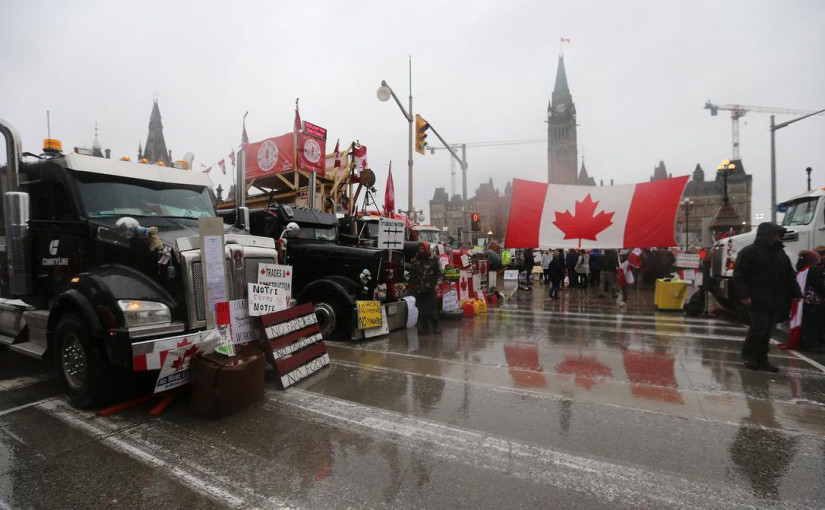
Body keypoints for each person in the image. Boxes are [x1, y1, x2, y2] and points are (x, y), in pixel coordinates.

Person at [733, 222, 802, 372]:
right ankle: (749, 356)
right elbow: (739, 276)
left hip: (775, 298)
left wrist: (796, 292)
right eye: (776, 234)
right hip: (757, 298)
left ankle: (762, 359)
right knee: (759, 327)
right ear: (767, 235)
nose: (778, 237)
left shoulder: (780, 253)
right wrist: (744, 295)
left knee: (768, 330)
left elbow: (789, 275)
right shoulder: (748, 252)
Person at [410, 241, 444, 335]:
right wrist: (412, 286)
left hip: (430, 289)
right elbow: (412, 275)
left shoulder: (434, 259)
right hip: (419, 289)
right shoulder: (415, 260)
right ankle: (423, 327)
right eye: (419, 249)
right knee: (421, 310)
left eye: (423, 249)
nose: (421, 250)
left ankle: (436, 326)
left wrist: (438, 284)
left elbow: (440, 273)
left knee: (432, 309)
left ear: (426, 249)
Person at [796, 250, 825, 353]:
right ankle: (812, 345)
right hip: (814, 300)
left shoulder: (802, 269)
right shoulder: (814, 269)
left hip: (804, 300)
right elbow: (818, 284)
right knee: (813, 324)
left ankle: (804, 343)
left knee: (806, 324)